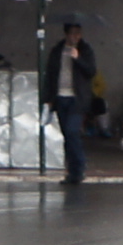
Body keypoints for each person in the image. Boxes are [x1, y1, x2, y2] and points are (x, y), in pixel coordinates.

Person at [40, 15, 101, 191]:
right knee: (67, 135)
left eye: (78, 34)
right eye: (72, 33)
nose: (75, 37)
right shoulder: (57, 50)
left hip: (77, 99)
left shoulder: (85, 50)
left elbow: (91, 71)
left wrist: (78, 58)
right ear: (66, 34)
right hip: (60, 97)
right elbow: (50, 75)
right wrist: (48, 99)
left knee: (73, 131)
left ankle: (79, 167)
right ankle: (72, 172)